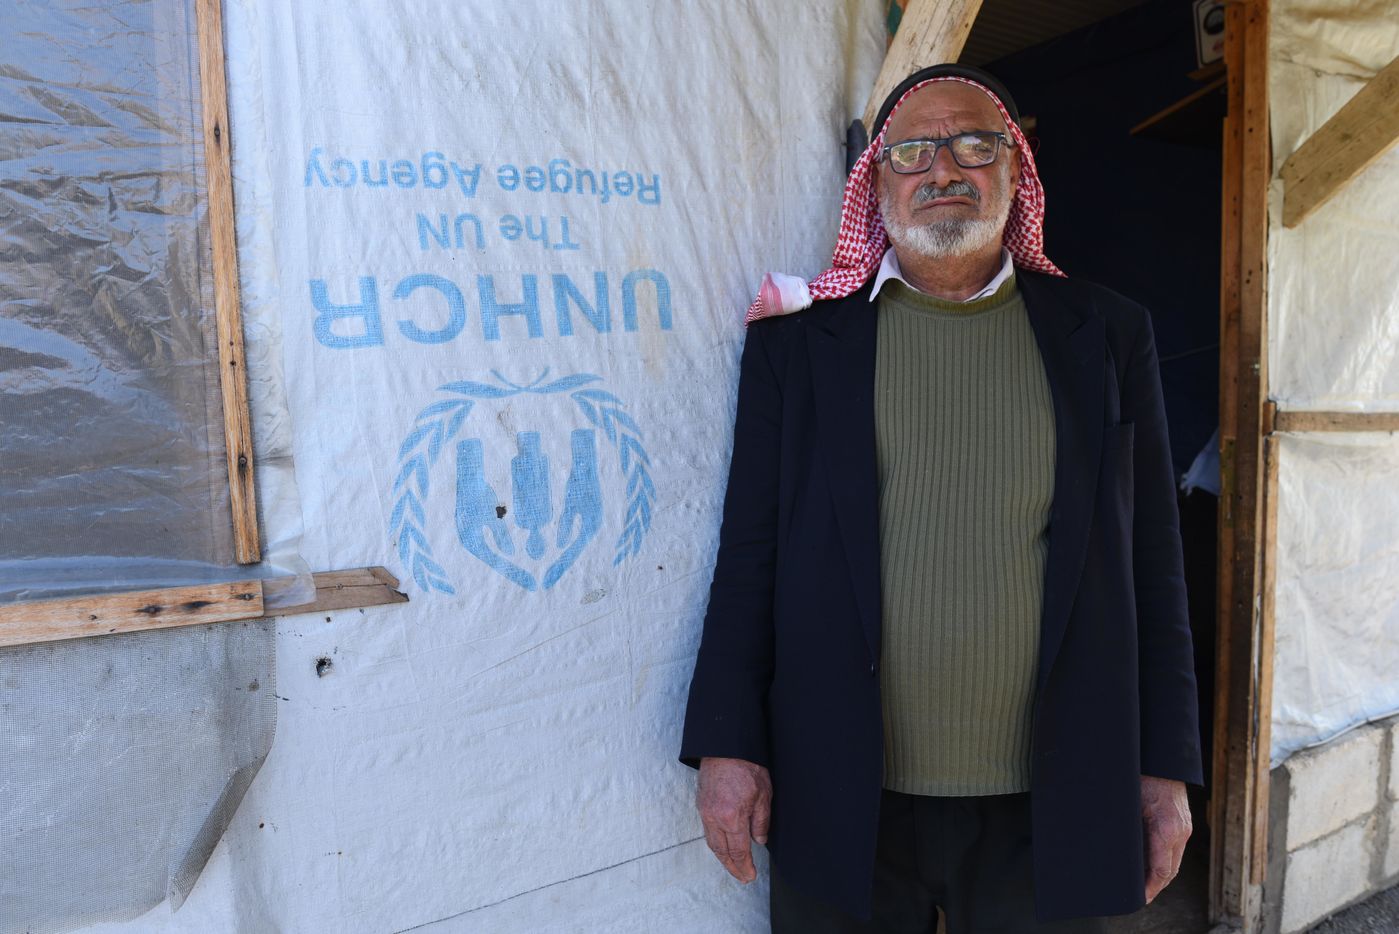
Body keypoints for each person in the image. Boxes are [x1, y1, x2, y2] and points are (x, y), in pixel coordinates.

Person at [679, 63, 1202, 933]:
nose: (943, 169)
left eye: (974, 145)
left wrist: (1164, 765)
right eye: (912, 152)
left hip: (1057, 792)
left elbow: (1153, 563)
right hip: (837, 785)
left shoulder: (1107, 334)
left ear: (1017, 168)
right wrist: (727, 744)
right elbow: (751, 552)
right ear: (875, 181)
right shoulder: (799, 348)